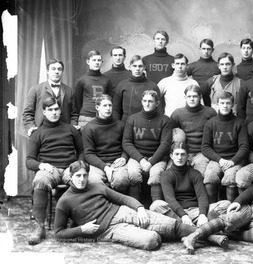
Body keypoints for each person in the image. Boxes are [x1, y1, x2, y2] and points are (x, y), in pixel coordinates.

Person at [54, 160, 196, 251]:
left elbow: (123, 198)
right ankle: (183, 235)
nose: (82, 179)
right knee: (151, 240)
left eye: (85, 175)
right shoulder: (64, 201)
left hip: (122, 212)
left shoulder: (97, 186)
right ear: (70, 176)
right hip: (109, 230)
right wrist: (82, 230)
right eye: (78, 176)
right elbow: (59, 233)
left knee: (171, 225)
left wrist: (140, 209)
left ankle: (212, 235)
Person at [26, 97, 83, 245]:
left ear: (60, 110)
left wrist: (79, 164)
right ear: (44, 112)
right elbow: (29, 160)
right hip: (51, 169)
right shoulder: (37, 133)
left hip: (70, 168)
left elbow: (82, 150)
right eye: (50, 110)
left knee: (82, 181)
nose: (54, 112)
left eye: (56, 109)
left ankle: (76, 224)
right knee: (40, 180)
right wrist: (42, 166)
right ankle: (40, 227)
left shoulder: (70, 129)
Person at [150, 142, 231, 228]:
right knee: (155, 205)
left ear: (187, 156)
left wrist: (202, 214)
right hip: (176, 212)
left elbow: (201, 196)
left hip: (195, 211)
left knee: (226, 204)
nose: (179, 157)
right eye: (176, 154)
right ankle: (199, 226)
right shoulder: (166, 175)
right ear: (171, 156)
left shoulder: (195, 174)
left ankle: (190, 226)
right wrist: (183, 215)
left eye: (182, 154)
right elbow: (170, 199)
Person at [123, 90, 172, 203]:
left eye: (150, 101)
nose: (147, 104)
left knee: (155, 174)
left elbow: (165, 145)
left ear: (157, 103)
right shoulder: (132, 119)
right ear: (141, 102)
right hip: (137, 156)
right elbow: (126, 142)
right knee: (134, 173)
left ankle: (157, 206)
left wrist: (151, 162)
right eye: (144, 101)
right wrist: (141, 160)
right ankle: (135, 205)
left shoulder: (165, 120)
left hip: (157, 157)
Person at [202, 92, 249, 203]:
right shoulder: (210, 123)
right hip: (217, 159)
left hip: (235, 159)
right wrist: (219, 160)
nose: (225, 106)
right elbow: (205, 147)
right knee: (210, 175)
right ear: (217, 104)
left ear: (232, 105)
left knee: (231, 176)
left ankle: (230, 209)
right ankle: (212, 207)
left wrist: (233, 161)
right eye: (222, 103)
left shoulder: (239, 123)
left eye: (228, 103)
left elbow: (244, 146)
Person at [82, 94, 130, 193]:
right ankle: (103, 205)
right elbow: (88, 154)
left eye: (110, 105)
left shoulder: (120, 125)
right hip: (98, 164)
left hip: (117, 163)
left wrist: (124, 157)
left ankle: (119, 203)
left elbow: (127, 145)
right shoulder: (89, 128)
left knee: (121, 180)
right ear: (97, 107)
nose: (108, 108)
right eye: (104, 106)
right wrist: (105, 167)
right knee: (94, 181)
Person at [23, 58, 78, 136]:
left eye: (59, 69)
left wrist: (72, 128)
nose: (56, 72)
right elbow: (27, 113)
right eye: (53, 69)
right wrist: (32, 129)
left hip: (64, 135)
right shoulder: (36, 89)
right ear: (47, 71)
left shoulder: (69, 91)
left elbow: (74, 114)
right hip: (42, 134)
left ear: (62, 72)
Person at [170, 85, 217, 175]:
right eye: (189, 96)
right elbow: (168, 134)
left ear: (200, 97)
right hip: (183, 152)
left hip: (202, 153)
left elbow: (216, 134)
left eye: (195, 96)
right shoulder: (178, 113)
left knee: (199, 175)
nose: (192, 99)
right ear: (185, 97)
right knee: (174, 175)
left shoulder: (210, 112)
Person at [112, 55, 162, 122]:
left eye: (140, 66)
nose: (137, 69)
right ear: (130, 67)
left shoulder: (152, 86)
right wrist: (117, 125)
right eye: (135, 66)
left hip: (147, 125)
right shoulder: (122, 85)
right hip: (126, 125)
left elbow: (159, 110)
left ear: (144, 67)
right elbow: (115, 109)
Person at [74, 50, 112, 128]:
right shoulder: (81, 80)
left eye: (99, 60)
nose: (97, 62)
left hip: (102, 117)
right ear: (88, 61)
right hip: (85, 118)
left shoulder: (107, 80)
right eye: (94, 60)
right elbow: (78, 102)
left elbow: (110, 99)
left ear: (101, 62)